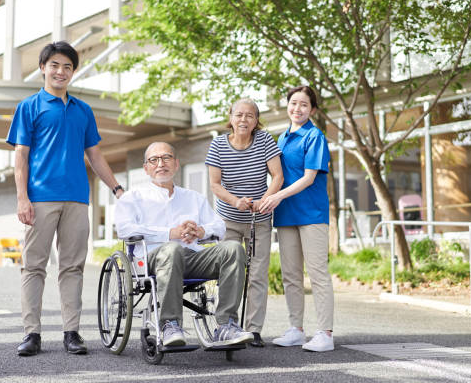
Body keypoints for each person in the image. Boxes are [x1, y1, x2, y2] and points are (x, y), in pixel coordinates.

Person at [7, 41, 125, 356]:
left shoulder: (83, 111)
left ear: (73, 72)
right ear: (43, 68)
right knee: (34, 266)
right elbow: (21, 157)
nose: (61, 71)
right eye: (55, 65)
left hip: (77, 199)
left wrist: (116, 188)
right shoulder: (29, 106)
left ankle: (71, 332)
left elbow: (95, 155)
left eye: (68, 67)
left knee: (72, 267)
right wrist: (22, 198)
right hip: (41, 198)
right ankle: (31, 333)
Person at [114, 142, 254, 347]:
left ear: (176, 164)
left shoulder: (193, 197)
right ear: (146, 168)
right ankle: (169, 324)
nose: (161, 163)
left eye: (166, 158)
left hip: (192, 257)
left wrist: (200, 231)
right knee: (173, 248)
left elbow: (219, 226)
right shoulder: (133, 197)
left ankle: (226, 325)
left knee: (233, 248)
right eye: (154, 160)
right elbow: (124, 230)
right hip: (152, 260)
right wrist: (170, 233)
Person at [259, 86, 335, 352]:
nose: (297, 109)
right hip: (285, 214)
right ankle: (296, 329)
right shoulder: (280, 139)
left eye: (304, 105)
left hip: (311, 213)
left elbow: (309, 177)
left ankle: (325, 333)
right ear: (287, 106)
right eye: (293, 103)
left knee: (317, 274)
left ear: (312, 110)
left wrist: (277, 196)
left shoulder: (315, 136)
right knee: (291, 275)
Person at [205, 98, 283, 347]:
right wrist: (236, 201)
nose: (243, 120)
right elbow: (215, 185)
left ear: (256, 121)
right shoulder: (217, 144)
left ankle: (254, 330)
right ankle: (227, 324)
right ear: (230, 118)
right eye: (239, 115)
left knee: (258, 275)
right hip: (228, 219)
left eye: (250, 116)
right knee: (229, 273)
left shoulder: (264, 141)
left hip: (259, 219)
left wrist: (265, 199)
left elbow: (277, 176)